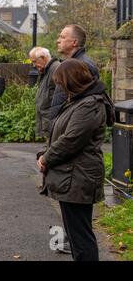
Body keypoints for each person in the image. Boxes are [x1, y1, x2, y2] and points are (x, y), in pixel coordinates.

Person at [37, 59, 115, 262]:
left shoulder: (89, 104)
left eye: (60, 82)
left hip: (78, 176)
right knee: (75, 235)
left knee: (80, 238)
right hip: (71, 176)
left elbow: (72, 139)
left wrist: (46, 158)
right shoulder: (79, 101)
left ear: (71, 81)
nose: (59, 87)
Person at [50, 24, 99, 121]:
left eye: (62, 37)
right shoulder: (72, 63)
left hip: (71, 128)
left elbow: (83, 106)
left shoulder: (83, 65)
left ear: (74, 42)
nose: (58, 41)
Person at [30, 47, 60, 138]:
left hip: (52, 119)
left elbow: (62, 95)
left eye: (35, 61)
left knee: (52, 145)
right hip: (47, 118)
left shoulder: (55, 68)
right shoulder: (47, 70)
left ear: (43, 58)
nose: (34, 65)